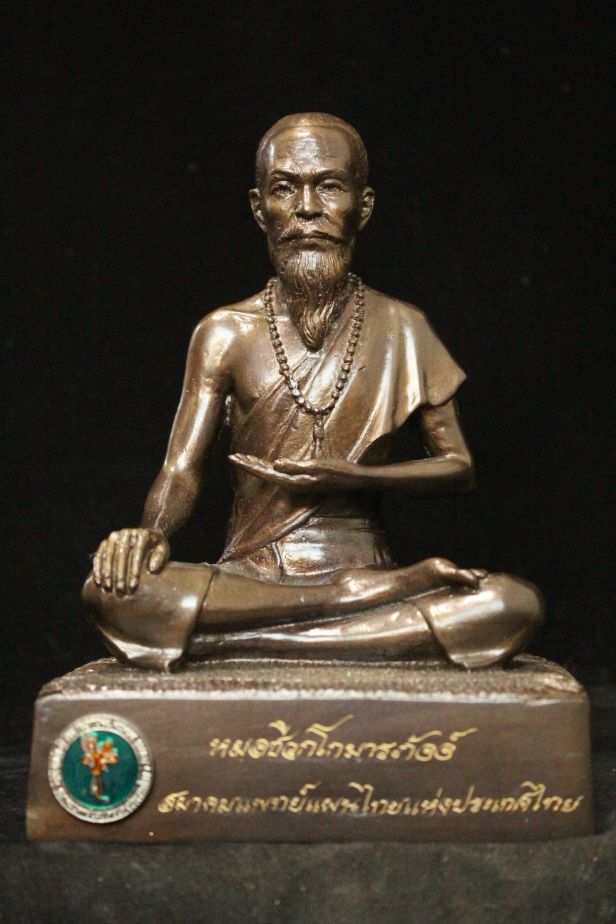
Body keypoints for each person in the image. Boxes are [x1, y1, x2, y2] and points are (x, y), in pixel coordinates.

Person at [83, 113, 542, 671]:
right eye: (284, 188)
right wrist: (148, 534)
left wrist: (354, 477)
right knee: (111, 592)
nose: (306, 209)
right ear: (260, 210)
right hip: (253, 576)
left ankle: (238, 644)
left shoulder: (403, 327)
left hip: (365, 565)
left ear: (362, 207)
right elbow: (181, 470)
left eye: (328, 187)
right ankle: (356, 615)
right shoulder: (224, 333)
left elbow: (458, 467)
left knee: (510, 603)